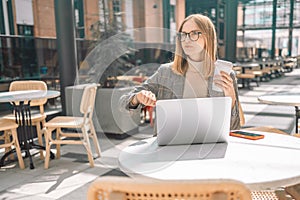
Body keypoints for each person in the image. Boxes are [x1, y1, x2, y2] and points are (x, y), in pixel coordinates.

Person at [119, 14, 241, 133]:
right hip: (170, 147)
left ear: (208, 37)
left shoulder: (225, 74)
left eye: (194, 33)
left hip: (210, 147)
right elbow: (123, 103)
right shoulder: (166, 73)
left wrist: (232, 100)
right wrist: (137, 98)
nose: (187, 39)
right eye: (183, 35)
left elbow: (234, 128)